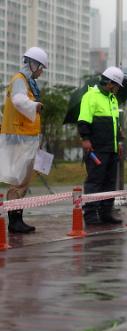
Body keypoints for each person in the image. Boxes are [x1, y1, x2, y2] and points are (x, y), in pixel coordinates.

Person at [0, 47, 48, 233]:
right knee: (18, 180)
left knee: (22, 180)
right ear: (33, 64)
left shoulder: (27, 82)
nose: (41, 72)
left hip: (26, 137)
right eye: (41, 67)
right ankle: (14, 221)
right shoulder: (19, 80)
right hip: (19, 138)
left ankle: (17, 219)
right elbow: (19, 101)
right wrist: (35, 106)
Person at [77, 66, 125, 225]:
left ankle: (106, 213)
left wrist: (119, 134)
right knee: (95, 181)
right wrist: (85, 139)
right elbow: (84, 120)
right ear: (110, 83)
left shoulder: (112, 98)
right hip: (96, 148)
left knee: (110, 182)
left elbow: (113, 122)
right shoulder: (91, 96)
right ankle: (90, 215)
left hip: (112, 148)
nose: (118, 89)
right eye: (117, 85)